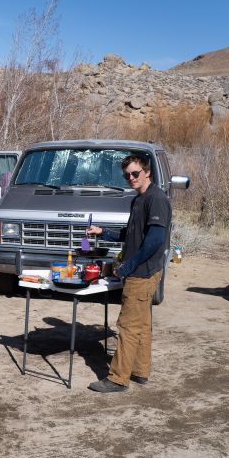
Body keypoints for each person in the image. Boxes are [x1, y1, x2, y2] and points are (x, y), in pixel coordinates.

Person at [84, 153, 172, 393]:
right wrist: (103, 231)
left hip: (142, 272)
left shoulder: (157, 199)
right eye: (127, 175)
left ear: (147, 173)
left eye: (135, 173)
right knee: (141, 324)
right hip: (140, 270)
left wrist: (128, 266)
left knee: (128, 325)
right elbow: (131, 233)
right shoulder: (139, 200)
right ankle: (140, 371)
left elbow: (154, 240)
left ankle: (117, 378)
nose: (131, 178)